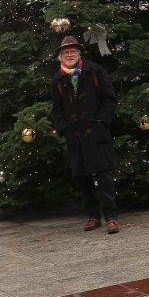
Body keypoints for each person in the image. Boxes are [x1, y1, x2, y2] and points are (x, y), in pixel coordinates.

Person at [51, 35, 119, 234]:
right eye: (66, 52)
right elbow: (56, 110)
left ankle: (112, 217)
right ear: (61, 56)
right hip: (75, 136)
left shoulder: (95, 71)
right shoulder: (57, 79)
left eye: (73, 51)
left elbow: (109, 100)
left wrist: (101, 122)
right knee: (83, 178)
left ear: (79, 53)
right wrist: (64, 128)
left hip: (97, 133)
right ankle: (93, 216)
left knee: (104, 175)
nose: (69, 54)